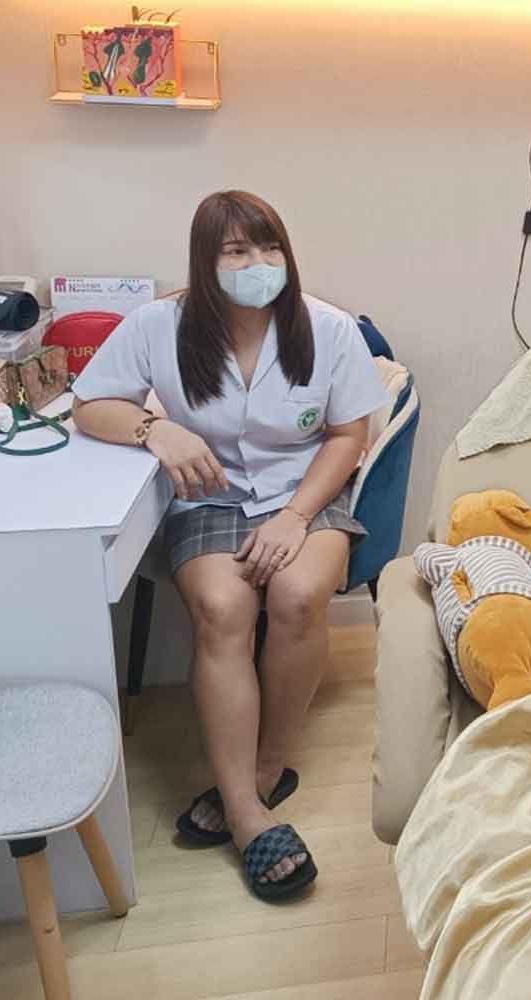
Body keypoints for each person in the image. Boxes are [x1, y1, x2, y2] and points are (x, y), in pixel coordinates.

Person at [73, 190, 387, 901]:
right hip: (210, 494)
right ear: (206, 262)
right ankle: (247, 815)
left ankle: (267, 769)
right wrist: (159, 430)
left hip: (305, 490)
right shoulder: (161, 324)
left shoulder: (327, 329)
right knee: (221, 609)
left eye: (269, 246)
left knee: (300, 595)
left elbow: (348, 436)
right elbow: (93, 405)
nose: (259, 263)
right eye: (237, 250)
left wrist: (296, 518)